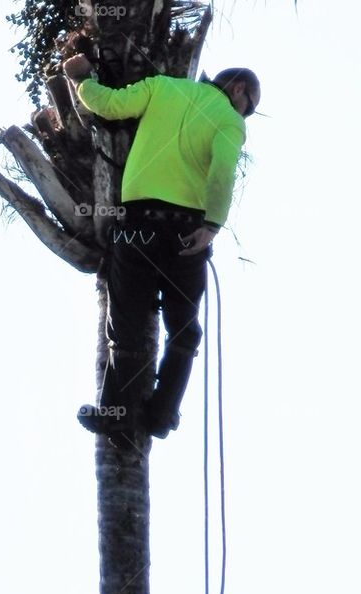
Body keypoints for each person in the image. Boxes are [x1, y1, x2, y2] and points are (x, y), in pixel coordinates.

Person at [63, 54, 259, 445]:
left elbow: (108, 105)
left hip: (137, 227)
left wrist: (82, 78)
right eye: (249, 105)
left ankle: (115, 413)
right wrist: (211, 226)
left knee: (128, 328)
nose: (246, 113)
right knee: (184, 333)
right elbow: (221, 171)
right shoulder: (229, 121)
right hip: (186, 234)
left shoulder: (162, 87)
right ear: (237, 89)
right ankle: (161, 414)